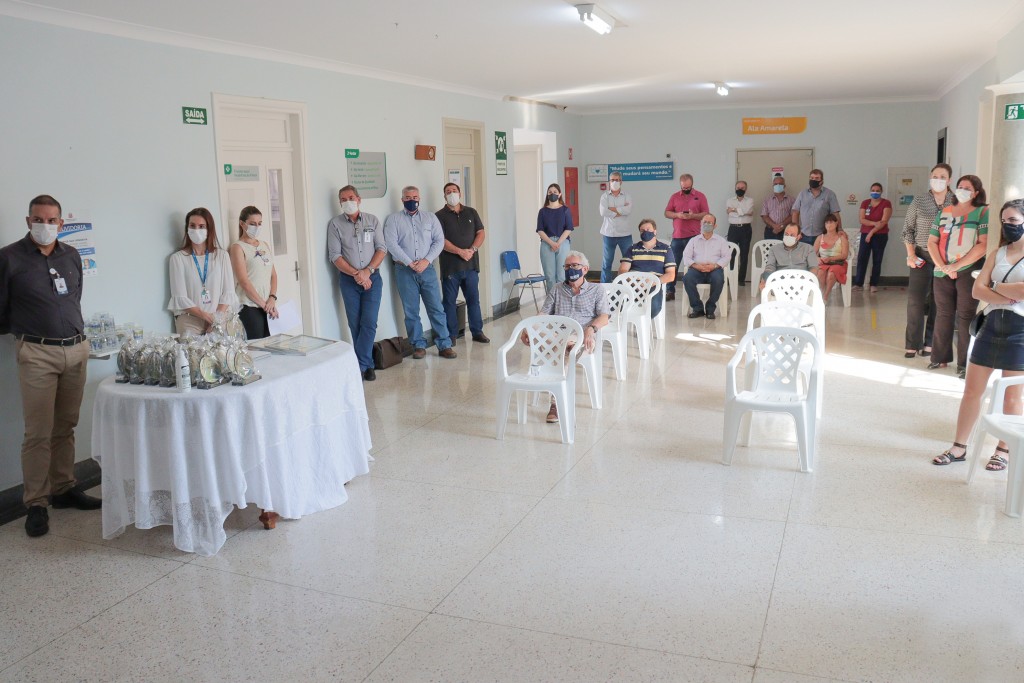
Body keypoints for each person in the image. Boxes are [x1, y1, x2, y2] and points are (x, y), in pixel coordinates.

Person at [0, 194, 99, 538]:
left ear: (61, 223)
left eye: (52, 220)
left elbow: (74, 297)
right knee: (38, 432)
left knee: (65, 426)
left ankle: (63, 488)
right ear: (28, 221)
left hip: (75, 349)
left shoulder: (71, 256)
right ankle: (36, 504)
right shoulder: (9, 258)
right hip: (37, 353)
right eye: (38, 219)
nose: (45, 225)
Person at [932, 199, 1024, 469]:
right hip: (991, 325)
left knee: (1012, 395)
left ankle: (1003, 450)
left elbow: (1020, 291)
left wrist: (995, 287)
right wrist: (1004, 289)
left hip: (1020, 331)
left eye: (1015, 222)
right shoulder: (997, 253)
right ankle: (959, 447)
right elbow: (977, 290)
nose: (1009, 226)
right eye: (1005, 221)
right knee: (972, 391)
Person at [520, 250, 610, 424]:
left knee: (561, 355)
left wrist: (590, 329)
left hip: (581, 336)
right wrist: (528, 329)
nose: (570, 269)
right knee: (537, 327)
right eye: (567, 266)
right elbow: (543, 314)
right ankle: (564, 345)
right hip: (558, 334)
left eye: (574, 266)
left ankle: (555, 404)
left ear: (585, 269)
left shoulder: (596, 290)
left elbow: (604, 317)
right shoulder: (557, 289)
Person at [927, 174, 989, 379]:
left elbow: (982, 245)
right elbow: (932, 242)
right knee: (943, 314)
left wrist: (957, 266)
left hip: (968, 270)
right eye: (960, 186)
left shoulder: (982, 212)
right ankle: (939, 357)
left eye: (967, 188)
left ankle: (965, 363)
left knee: (965, 315)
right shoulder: (944, 211)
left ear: (976, 193)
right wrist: (943, 266)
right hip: (942, 270)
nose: (962, 190)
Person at [384, 185, 456, 359]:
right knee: (411, 311)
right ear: (402, 200)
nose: (411, 200)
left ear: (419, 198)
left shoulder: (430, 218)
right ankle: (418, 345)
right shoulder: (393, 220)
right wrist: (410, 263)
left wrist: (426, 260)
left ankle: (444, 344)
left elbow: (439, 241)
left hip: (427, 269)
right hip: (404, 270)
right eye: (408, 198)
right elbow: (391, 243)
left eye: (414, 197)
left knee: (436, 308)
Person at [328, 185, 387, 381]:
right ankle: (368, 365)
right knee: (355, 324)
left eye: (350, 197)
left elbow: (381, 248)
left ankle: (360, 365)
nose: (347, 202)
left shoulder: (372, 220)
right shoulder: (335, 224)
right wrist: (357, 274)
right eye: (343, 199)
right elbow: (335, 256)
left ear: (359, 199)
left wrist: (367, 272)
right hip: (349, 281)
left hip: (373, 278)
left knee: (369, 322)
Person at [902, 163, 953, 359]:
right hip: (921, 256)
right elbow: (908, 230)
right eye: (935, 176)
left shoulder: (955, 202)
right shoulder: (919, 201)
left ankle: (930, 342)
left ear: (949, 180)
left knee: (939, 302)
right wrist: (911, 255)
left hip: (946, 259)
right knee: (915, 301)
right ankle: (912, 343)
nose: (938, 180)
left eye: (942, 176)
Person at [168, 208, 238, 336]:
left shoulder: (222, 256)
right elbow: (180, 298)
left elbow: (228, 293)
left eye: (201, 226)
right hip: (190, 321)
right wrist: (206, 317)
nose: (196, 230)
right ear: (187, 229)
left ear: (209, 229)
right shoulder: (177, 259)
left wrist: (215, 320)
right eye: (192, 226)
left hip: (219, 319)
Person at [436, 182, 489, 346]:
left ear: (460, 194)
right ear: (444, 196)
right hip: (451, 268)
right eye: (448, 192)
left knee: (474, 300)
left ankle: (477, 331)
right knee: (449, 302)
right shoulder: (439, 216)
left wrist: (472, 250)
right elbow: (440, 240)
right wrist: (460, 251)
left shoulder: (471, 212)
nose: (451, 193)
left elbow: (481, 232)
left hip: (471, 266)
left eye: (454, 191)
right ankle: (451, 335)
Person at [229, 206, 278, 341]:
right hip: (249, 306)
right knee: (256, 348)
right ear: (242, 224)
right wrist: (264, 305)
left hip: (267, 305)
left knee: (271, 345)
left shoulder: (264, 245)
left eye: (259, 224)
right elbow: (244, 281)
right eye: (252, 224)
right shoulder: (237, 247)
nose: (257, 227)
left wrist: (272, 298)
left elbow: (273, 275)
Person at [618, 218, 676, 320]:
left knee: (653, 308)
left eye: (648, 229)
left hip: (653, 284)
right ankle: (622, 323)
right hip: (632, 283)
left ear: (655, 231)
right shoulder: (632, 248)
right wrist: (633, 282)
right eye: (642, 230)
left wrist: (650, 282)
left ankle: (641, 324)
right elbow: (622, 271)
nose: (645, 232)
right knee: (612, 301)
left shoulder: (666, 249)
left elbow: (671, 275)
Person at [663, 173, 709, 301]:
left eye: (688, 187)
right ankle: (670, 291)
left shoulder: (700, 196)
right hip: (677, 237)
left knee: (694, 265)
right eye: (683, 187)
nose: (686, 189)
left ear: (692, 184)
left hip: (694, 237)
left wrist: (693, 216)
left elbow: (706, 213)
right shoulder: (674, 197)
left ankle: (693, 293)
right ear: (680, 185)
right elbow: (666, 213)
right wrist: (678, 215)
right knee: (673, 265)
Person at [682, 214, 731, 319]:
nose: (706, 224)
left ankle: (710, 308)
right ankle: (697, 308)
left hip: (714, 269)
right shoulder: (693, 240)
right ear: (700, 223)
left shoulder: (721, 241)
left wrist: (714, 266)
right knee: (687, 278)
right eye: (704, 222)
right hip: (697, 269)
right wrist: (696, 266)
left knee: (718, 279)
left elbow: (727, 257)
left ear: (715, 226)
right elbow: (686, 256)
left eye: (710, 223)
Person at [853, 183, 893, 293]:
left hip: (880, 235)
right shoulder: (865, 203)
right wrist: (874, 223)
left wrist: (871, 232)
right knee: (862, 259)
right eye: (873, 190)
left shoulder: (886, 203)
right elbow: (861, 219)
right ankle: (858, 283)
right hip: (865, 234)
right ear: (870, 191)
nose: (875, 192)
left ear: (881, 191)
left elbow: (884, 221)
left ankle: (874, 284)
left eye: (878, 190)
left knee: (877, 260)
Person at [536, 183, 574, 292]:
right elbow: (540, 230)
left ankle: (562, 302)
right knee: (549, 276)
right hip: (547, 243)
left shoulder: (565, 210)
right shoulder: (542, 211)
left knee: (561, 275)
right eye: (550, 192)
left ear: (560, 194)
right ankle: (551, 303)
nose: (552, 194)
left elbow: (568, 228)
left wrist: (558, 243)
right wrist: (551, 243)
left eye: (555, 192)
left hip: (562, 242)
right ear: (547, 195)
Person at [759, 223, 819, 290]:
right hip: (780, 283)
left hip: (802, 283)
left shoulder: (808, 248)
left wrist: (808, 281)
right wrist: (765, 278)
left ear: (798, 237)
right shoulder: (774, 249)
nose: (788, 237)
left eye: (792, 235)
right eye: (786, 234)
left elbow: (814, 268)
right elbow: (770, 267)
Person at [598, 171, 633, 283]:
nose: (614, 182)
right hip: (609, 234)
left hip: (625, 234)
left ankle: (630, 286)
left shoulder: (627, 195)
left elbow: (628, 210)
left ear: (621, 181)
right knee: (607, 263)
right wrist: (620, 211)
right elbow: (603, 212)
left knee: (629, 262)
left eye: (616, 180)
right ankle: (605, 288)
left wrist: (612, 209)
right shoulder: (604, 196)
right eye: (612, 180)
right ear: (609, 181)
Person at [792, 169, 841, 245]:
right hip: (803, 235)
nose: (814, 180)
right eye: (812, 178)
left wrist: (840, 229)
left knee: (820, 256)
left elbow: (836, 214)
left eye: (817, 178)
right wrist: (795, 230)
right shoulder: (802, 194)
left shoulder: (830, 194)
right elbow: (795, 212)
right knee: (804, 256)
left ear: (822, 181)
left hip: (822, 235)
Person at [813, 213, 849, 302]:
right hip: (823, 263)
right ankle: (822, 292)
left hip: (838, 263)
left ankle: (825, 296)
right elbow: (812, 253)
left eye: (831, 222)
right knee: (820, 272)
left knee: (831, 274)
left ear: (836, 223)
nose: (829, 225)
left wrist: (831, 259)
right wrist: (818, 259)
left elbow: (844, 255)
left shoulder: (842, 238)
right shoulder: (819, 238)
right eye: (827, 223)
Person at [726, 180, 754, 285]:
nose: (740, 189)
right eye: (738, 187)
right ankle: (731, 277)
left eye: (742, 188)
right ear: (735, 188)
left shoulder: (750, 200)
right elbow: (733, 214)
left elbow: (749, 211)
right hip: (733, 229)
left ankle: (741, 279)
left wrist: (734, 210)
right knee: (731, 254)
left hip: (746, 229)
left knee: (744, 254)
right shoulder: (729, 200)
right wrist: (743, 212)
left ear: (745, 189)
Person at [761, 176, 794, 241]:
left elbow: (793, 215)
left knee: (786, 250)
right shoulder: (767, 200)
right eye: (775, 184)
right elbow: (764, 216)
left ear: (784, 186)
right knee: (769, 250)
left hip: (786, 230)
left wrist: (782, 225)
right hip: (770, 231)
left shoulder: (792, 200)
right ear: (773, 186)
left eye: (780, 184)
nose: (778, 185)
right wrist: (774, 226)